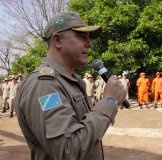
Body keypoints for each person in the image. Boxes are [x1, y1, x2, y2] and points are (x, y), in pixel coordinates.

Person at [14, 12, 126, 160]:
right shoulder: (44, 85)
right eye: (82, 37)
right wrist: (109, 102)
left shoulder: (71, 80)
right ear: (58, 40)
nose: (89, 44)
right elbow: (68, 150)